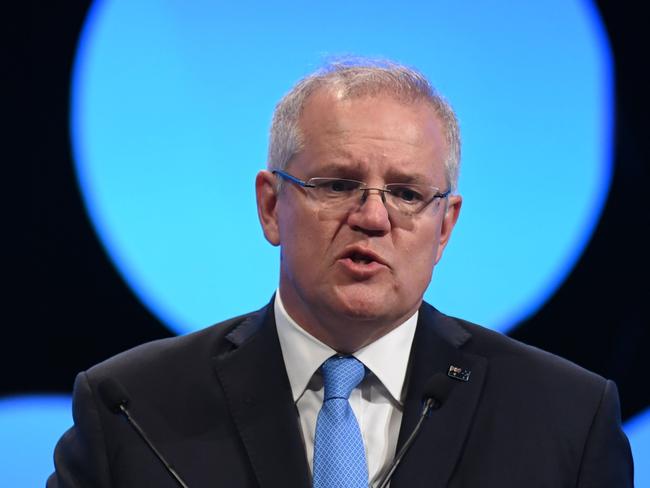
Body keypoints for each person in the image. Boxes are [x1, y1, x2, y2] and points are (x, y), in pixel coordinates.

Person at [48, 58, 633, 487]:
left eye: (405, 193)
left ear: (445, 227)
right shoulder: (132, 408)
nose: (373, 217)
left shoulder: (566, 418)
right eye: (337, 185)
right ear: (272, 206)